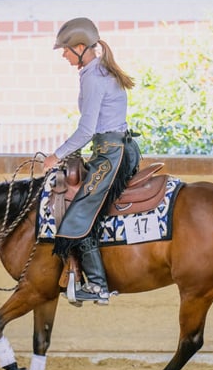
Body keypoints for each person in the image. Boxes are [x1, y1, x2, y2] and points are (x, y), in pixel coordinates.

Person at [42, 17, 141, 306]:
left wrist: (56, 156)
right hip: (111, 149)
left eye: (66, 49)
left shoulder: (94, 77)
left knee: (80, 214)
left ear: (80, 47)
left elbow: (86, 130)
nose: (63, 54)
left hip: (110, 154)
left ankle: (97, 286)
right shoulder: (96, 71)